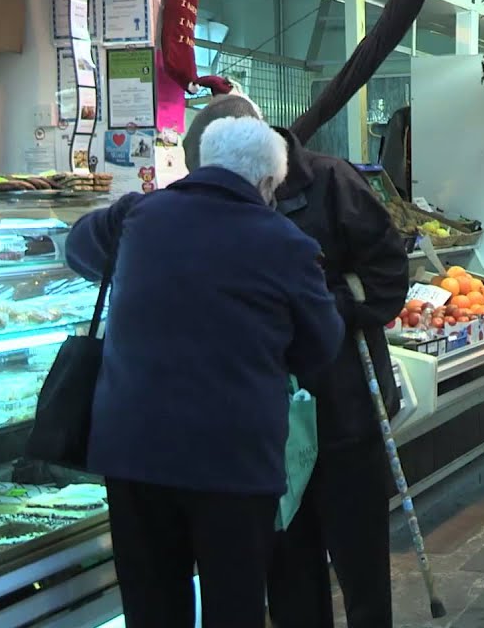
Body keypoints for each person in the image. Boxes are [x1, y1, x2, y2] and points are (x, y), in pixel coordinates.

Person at [65, 117, 345, 628]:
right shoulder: (286, 243)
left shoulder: (138, 213)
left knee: (152, 611)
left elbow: (78, 248)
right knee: (233, 608)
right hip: (234, 460)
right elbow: (321, 345)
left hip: (133, 453)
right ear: (267, 183)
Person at [180, 93, 408, 628]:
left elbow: (389, 275)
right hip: (267, 423)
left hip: (344, 405)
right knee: (289, 567)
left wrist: (323, 306)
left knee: (360, 560)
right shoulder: (217, 200)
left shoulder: (331, 181)